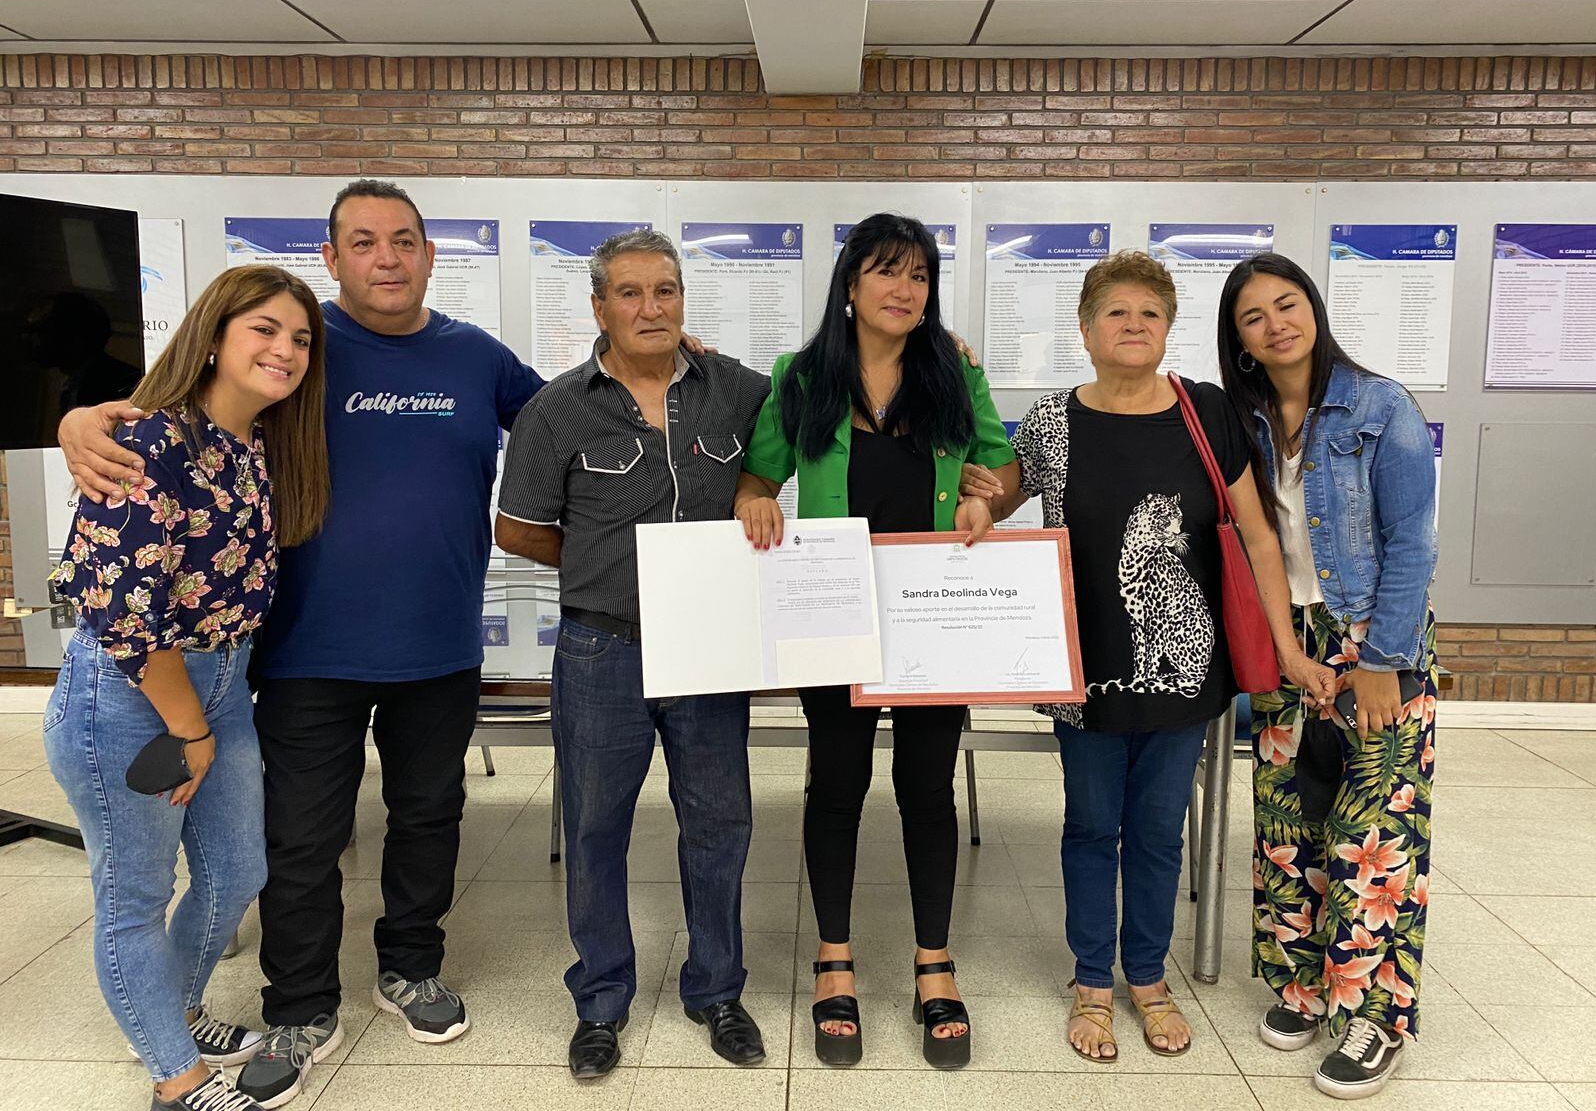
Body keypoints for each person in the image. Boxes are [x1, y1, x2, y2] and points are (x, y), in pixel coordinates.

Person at [56, 181, 545, 1108]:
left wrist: (668, 360)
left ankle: (410, 970)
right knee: (297, 841)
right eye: (364, 242)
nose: (387, 257)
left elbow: (572, 413)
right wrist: (78, 419)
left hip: (439, 646)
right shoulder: (298, 352)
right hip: (299, 654)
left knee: (428, 819)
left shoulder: (476, 357)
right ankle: (300, 1006)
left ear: (431, 254)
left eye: (405, 240)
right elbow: (169, 412)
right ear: (333, 258)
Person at [994, 250, 1335, 1065]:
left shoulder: (1206, 411)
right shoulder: (1051, 419)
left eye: (1150, 312)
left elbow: (1254, 532)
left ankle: (1146, 977)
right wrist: (977, 493)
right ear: (1086, 330)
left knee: (1156, 831)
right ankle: (1091, 982)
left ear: (1169, 328)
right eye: (1117, 312)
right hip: (1084, 671)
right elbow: (999, 491)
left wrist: (1285, 645)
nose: (1134, 325)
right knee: (1088, 826)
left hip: (1188, 674)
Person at [734, 213, 1018, 1070]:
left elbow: (1002, 469)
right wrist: (757, 500)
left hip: (932, 608)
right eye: (887, 272)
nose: (905, 290)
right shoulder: (800, 375)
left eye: (920, 276)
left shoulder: (955, 372)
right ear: (850, 284)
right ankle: (834, 961)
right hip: (835, 612)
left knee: (927, 786)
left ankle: (934, 963)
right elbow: (760, 470)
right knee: (839, 782)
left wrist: (986, 503)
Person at [44, 265, 329, 1111]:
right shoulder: (149, 443)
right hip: (132, 698)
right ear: (212, 337)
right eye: (265, 330)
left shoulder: (253, 443)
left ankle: (179, 1006)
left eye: (301, 339)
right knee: (134, 893)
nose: (286, 349)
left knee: (237, 869)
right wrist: (192, 730)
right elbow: (126, 615)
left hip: (221, 683)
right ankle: (176, 1076)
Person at [495, 229, 774, 1079]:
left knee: (719, 825)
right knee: (593, 828)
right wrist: (605, 563)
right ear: (599, 308)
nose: (651, 307)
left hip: (711, 648)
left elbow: (828, 397)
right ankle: (602, 1001)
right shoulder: (557, 409)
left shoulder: (738, 390)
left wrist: (943, 351)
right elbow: (517, 528)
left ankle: (716, 990)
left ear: (685, 300)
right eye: (630, 293)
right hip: (600, 648)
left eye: (666, 290)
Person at [1219, 252, 1437, 1101]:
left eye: (1288, 302)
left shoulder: (1381, 406)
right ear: (1238, 342)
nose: (1277, 323)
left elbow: (1414, 541)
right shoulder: (1245, 420)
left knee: (1373, 830)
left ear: (1313, 307)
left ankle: (1375, 1013)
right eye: (1253, 316)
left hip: (1374, 635)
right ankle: (1304, 989)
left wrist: (1383, 662)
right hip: (1288, 642)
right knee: (1288, 823)